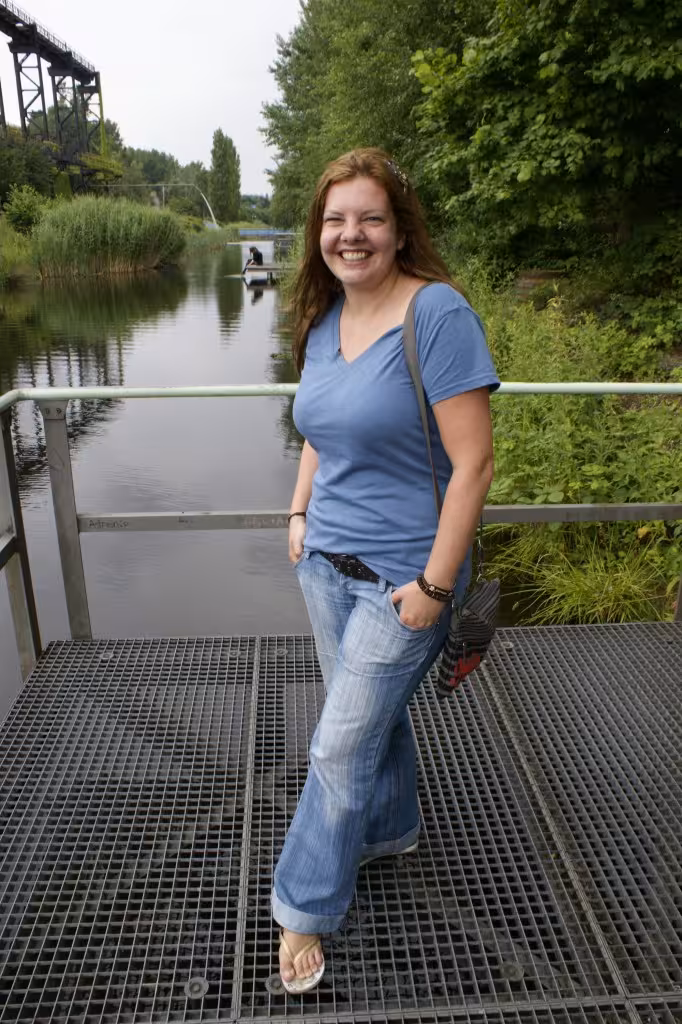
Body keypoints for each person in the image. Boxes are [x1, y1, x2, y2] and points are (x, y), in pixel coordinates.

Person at [273, 147, 499, 994]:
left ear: (400, 229)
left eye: (369, 217)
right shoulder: (324, 319)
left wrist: (436, 588)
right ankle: (393, 827)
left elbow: (472, 465)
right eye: (335, 220)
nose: (350, 234)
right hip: (325, 564)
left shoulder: (435, 314)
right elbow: (318, 433)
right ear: (318, 235)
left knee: (335, 745)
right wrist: (298, 513)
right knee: (366, 722)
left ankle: (301, 907)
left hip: (404, 576)